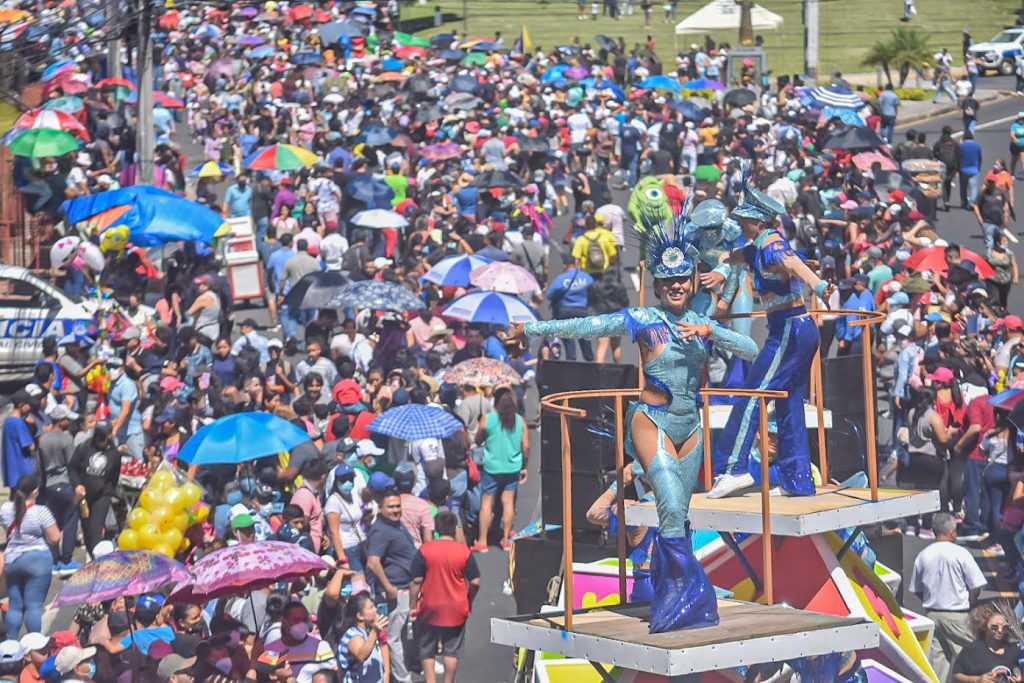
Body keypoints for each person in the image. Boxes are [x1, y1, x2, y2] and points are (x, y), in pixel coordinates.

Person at [512, 190, 759, 633]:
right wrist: (532, 328)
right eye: (668, 282)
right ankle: (685, 596)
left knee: (681, 515)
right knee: (669, 507)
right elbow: (586, 325)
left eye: (682, 279)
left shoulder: (702, 324)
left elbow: (751, 348)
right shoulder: (643, 319)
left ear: (691, 281)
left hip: (691, 428)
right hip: (653, 423)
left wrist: (713, 333)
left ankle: (675, 593)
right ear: (658, 287)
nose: (677, 286)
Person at [709, 177, 833, 499]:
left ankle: (734, 468)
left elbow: (791, 262)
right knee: (788, 402)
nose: (739, 223)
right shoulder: (756, 247)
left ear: (756, 221)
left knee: (753, 394)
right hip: (795, 329)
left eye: (742, 219)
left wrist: (819, 285)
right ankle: (797, 481)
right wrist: (718, 262)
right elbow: (735, 256)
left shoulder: (771, 245)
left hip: (790, 329)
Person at [909, 512, 987, 682]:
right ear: (953, 532)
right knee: (975, 657)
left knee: (938, 663)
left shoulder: (923, 555)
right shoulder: (960, 553)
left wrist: (929, 601)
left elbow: (916, 589)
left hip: (932, 614)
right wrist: (970, 603)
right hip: (957, 616)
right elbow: (976, 586)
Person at [408, 511, 480, 683]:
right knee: (451, 650)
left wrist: (412, 605)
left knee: (426, 648)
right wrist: (469, 600)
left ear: (436, 530)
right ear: (455, 529)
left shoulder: (425, 550)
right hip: (456, 607)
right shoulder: (463, 551)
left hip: (429, 607)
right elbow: (475, 582)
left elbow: (416, 580)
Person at [365, 491, 417, 682]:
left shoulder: (395, 524)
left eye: (398, 506)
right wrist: (388, 588)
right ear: (381, 508)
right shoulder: (381, 530)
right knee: (394, 638)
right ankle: (403, 679)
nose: (396, 510)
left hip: (406, 588)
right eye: (391, 507)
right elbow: (373, 562)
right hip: (396, 591)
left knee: (404, 635)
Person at [0, 475, 58, 636]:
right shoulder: (41, 511)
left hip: (13, 560)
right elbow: (54, 538)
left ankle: (11, 642)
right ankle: (34, 643)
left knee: (15, 606)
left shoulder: (5, 509)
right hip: (38, 561)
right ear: (35, 492)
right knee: (33, 606)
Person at [472, 388, 526, 553]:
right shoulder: (520, 421)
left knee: (487, 503)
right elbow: (526, 446)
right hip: (512, 468)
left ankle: (482, 541)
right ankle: (505, 539)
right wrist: (524, 466)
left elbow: (478, 440)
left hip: (491, 468)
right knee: (508, 502)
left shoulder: (488, 419)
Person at [263, 603, 337, 683]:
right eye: (296, 620)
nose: (301, 623)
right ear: (285, 622)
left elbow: (332, 677)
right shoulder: (271, 650)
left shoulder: (321, 647)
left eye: (304, 620)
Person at [951, 603, 1020, 683]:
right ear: (984, 626)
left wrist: (1021, 677)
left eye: (1005, 627)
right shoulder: (971, 650)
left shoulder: (1014, 649)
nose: (1000, 630)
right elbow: (956, 675)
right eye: (994, 627)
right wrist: (977, 679)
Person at [338, 591, 389, 683]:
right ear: (360, 616)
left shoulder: (368, 632)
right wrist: (374, 632)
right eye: (371, 607)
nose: (375, 610)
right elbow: (361, 656)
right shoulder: (353, 635)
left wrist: (386, 674)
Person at [2, 391, 37, 489]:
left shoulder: (8, 422)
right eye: (29, 405)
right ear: (21, 405)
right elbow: (31, 447)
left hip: (12, 472)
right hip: (23, 470)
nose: (31, 407)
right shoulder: (19, 423)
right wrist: (32, 427)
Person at [974, 172, 1011, 254]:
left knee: (1001, 243)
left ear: (995, 182)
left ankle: (1002, 259)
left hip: (1000, 223)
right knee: (989, 243)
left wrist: (1006, 218)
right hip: (987, 223)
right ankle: (989, 258)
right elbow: (976, 205)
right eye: (989, 182)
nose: (991, 184)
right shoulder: (983, 193)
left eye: (992, 182)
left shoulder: (1001, 192)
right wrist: (979, 218)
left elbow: (1006, 206)